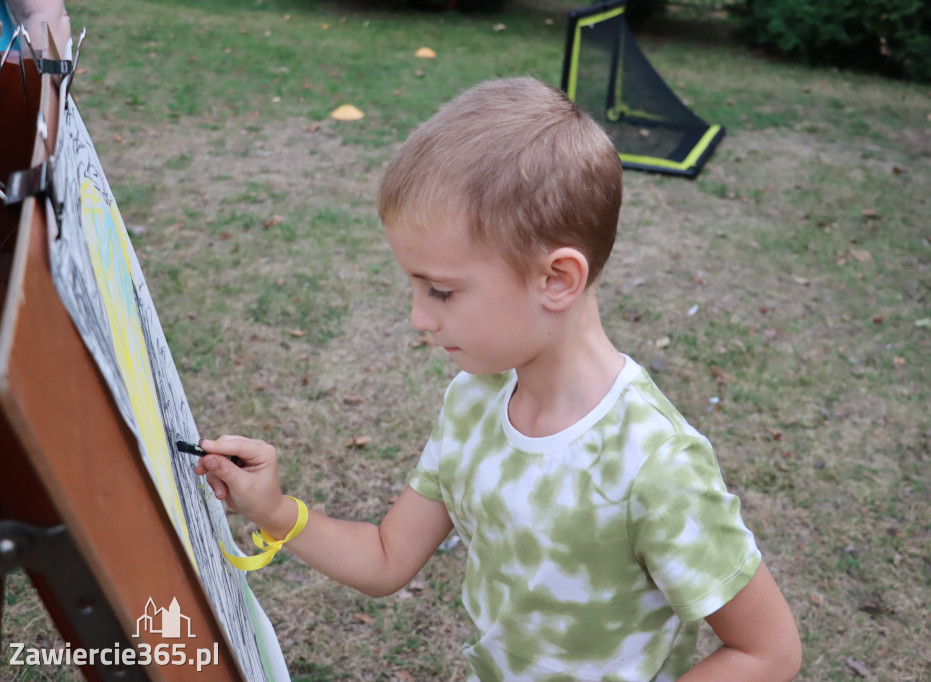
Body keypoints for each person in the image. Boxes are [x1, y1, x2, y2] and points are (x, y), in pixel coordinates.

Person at [194, 77, 802, 681]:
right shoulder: (473, 402)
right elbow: (387, 558)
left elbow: (767, 652)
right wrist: (273, 510)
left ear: (557, 280)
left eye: (441, 290)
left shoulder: (654, 463)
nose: (418, 317)